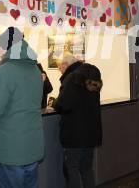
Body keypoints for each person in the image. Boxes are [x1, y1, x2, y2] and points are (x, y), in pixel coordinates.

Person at [0, 27, 44, 188]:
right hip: (32, 146)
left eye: (0, 44)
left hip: (11, 149)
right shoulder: (35, 70)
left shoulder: (3, 72)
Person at [54, 54, 103, 188]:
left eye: (60, 67)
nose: (60, 70)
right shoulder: (92, 75)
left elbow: (64, 104)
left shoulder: (71, 78)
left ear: (65, 65)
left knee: (72, 169)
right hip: (91, 132)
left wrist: (55, 103)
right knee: (86, 169)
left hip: (75, 134)